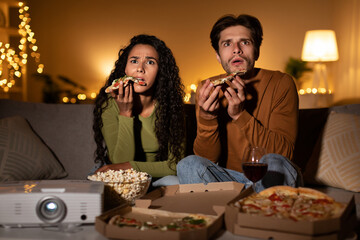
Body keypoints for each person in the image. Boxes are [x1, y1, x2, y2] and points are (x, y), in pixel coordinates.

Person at [176, 14, 302, 192]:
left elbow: (282, 154)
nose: (236, 49)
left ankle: (262, 209)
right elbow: (207, 159)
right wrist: (207, 118)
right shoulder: (208, 88)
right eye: (227, 44)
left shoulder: (281, 83)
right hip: (230, 180)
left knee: (274, 161)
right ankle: (230, 209)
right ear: (218, 56)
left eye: (245, 42)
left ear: (257, 50)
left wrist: (239, 115)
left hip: (272, 177)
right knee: (187, 164)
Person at [92, 34, 185, 186]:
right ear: (125, 68)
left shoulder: (171, 107)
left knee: (177, 182)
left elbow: (174, 165)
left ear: (160, 71)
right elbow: (119, 163)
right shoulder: (109, 105)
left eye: (150, 62)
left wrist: (131, 166)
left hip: (156, 177)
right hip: (119, 176)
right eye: (134, 61)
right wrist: (125, 113)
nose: (140, 69)